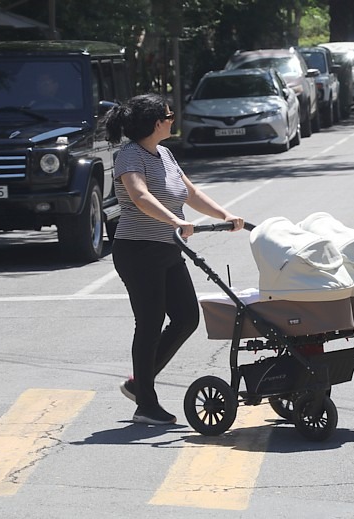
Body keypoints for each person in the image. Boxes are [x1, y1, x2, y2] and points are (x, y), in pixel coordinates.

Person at [104, 93, 244, 425]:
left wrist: (226, 215)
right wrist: (177, 221)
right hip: (137, 250)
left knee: (186, 318)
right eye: (169, 115)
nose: (172, 120)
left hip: (167, 248)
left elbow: (191, 193)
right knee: (150, 324)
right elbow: (140, 196)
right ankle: (145, 404)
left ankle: (141, 382)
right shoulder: (130, 156)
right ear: (157, 123)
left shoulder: (164, 154)